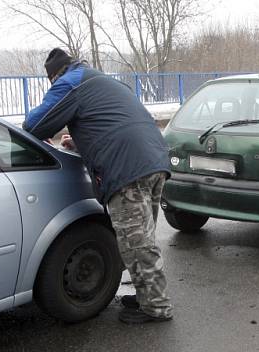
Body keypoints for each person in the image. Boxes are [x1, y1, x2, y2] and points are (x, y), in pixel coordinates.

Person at [23, 48, 174, 324]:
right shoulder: (102, 80)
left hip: (128, 168)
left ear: (54, 76)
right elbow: (110, 124)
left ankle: (156, 307)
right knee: (140, 240)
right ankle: (147, 296)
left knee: (136, 243)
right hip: (152, 161)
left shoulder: (70, 82)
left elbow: (35, 124)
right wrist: (79, 143)